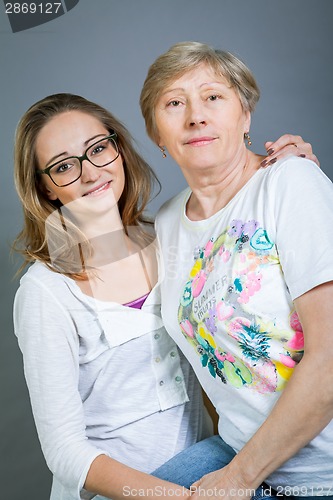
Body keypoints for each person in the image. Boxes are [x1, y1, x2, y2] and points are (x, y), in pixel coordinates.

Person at [12, 92, 316, 500]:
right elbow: (64, 452)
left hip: (210, 470)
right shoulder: (44, 291)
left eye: (99, 149)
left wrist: (287, 170)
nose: (90, 173)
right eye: (64, 166)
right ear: (46, 188)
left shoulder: (174, 236)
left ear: (118, 150)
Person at [139, 41, 333, 499]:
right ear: (157, 136)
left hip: (319, 472)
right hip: (239, 452)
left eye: (213, 96)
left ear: (245, 114)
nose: (195, 116)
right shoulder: (166, 223)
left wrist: (238, 480)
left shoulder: (291, 182)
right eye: (174, 103)